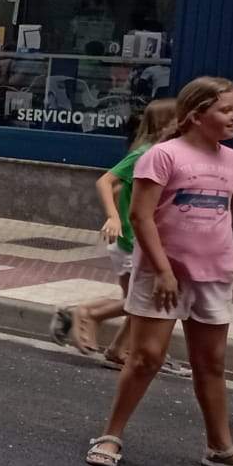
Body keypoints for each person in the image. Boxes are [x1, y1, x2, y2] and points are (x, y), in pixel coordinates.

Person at [87, 77, 233, 466]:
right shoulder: (162, 156)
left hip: (213, 275)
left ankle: (220, 447)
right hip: (161, 275)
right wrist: (162, 271)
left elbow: (228, 213)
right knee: (146, 358)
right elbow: (141, 216)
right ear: (196, 115)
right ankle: (110, 435)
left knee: (211, 362)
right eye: (225, 109)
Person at [65, 98, 177, 364]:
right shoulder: (145, 154)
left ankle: (117, 348)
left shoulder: (161, 154)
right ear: (167, 123)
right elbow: (107, 181)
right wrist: (113, 216)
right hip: (130, 241)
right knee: (138, 302)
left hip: (137, 241)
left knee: (139, 301)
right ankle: (90, 315)